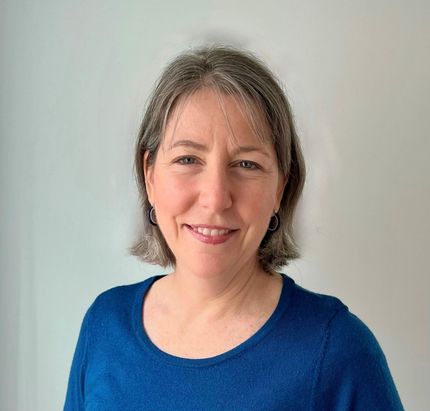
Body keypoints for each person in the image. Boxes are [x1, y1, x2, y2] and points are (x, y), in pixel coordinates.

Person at [64, 46, 404, 410]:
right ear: (149, 177)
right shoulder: (104, 326)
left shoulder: (338, 350)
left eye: (246, 164)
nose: (215, 198)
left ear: (280, 188)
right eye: (188, 159)